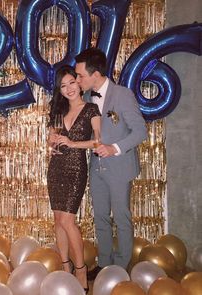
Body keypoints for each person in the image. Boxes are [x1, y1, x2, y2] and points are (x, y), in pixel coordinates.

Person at [75, 48, 147, 279]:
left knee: (122, 217)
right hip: (97, 169)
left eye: (80, 76)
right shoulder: (86, 98)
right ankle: (105, 264)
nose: (78, 80)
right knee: (101, 217)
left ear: (95, 74)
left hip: (120, 167)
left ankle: (121, 268)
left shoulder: (123, 95)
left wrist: (114, 148)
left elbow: (140, 132)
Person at [47, 65, 101, 292]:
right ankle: (65, 267)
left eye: (72, 82)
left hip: (76, 169)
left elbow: (99, 141)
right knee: (58, 221)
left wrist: (72, 143)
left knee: (68, 221)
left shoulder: (91, 109)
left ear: (79, 84)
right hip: (56, 168)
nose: (68, 88)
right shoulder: (57, 112)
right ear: (59, 90)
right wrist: (51, 144)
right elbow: (52, 139)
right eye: (63, 85)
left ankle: (81, 271)